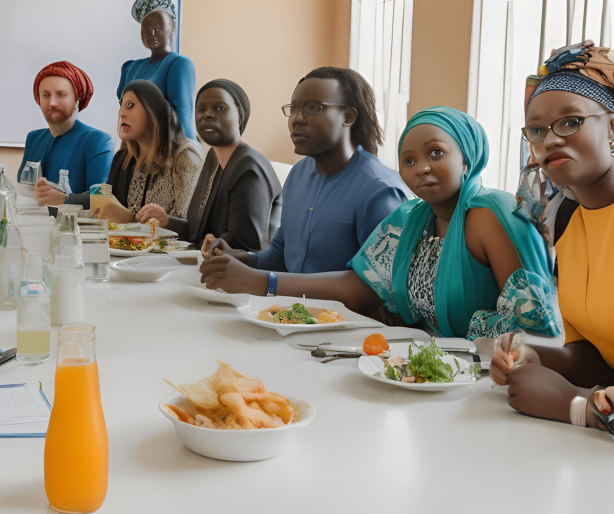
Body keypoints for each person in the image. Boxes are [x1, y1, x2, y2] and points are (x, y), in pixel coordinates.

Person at [202, 107, 563, 342]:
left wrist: (262, 282)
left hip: (488, 385)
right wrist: (262, 281)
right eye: (408, 160)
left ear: (466, 158)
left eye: (435, 153)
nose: (420, 167)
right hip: (419, 373)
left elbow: (534, 328)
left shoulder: (491, 213)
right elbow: (359, 286)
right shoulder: (410, 219)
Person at [490, 42, 614, 463]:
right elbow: (601, 353)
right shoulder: (565, 217)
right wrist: (538, 355)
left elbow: (590, 392)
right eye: (536, 130)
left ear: (612, 124)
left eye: (569, 122)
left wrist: (577, 404)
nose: (549, 139)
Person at [203, 67, 409, 275]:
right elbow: (281, 254)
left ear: (347, 117)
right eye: (293, 108)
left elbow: (374, 287)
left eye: (313, 108)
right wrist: (241, 258)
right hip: (290, 307)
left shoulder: (380, 191)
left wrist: (265, 282)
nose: (297, 119)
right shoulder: (299, 173)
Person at [135, 79, 282, 252]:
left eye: (220, 108)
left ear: (239, 113)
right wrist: (167, 221)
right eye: (201, 109)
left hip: (241, 273)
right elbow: (199, 232)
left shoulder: (250, 168)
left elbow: (247, 247)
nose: (207, 115)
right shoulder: (213, 157)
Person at [68, 79, 202, 222]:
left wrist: (130, 219)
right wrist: (65, 199)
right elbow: (107, 203)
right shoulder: (123, 159)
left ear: (153, 111)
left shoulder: (185, 157)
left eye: (130, 105)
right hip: (122, 244)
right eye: (121, 106)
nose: (122, 114)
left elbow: (193, 229)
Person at [20, 61, 115, 206]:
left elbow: (102, 199)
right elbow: (25, 191)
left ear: (77, 99)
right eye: (46, 95)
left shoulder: (98, 141)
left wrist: (66, 199)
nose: (52, 102)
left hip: (77, 227)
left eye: (61, 94)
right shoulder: (33, 138)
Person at [117, 0, 198, 141]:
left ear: (172, 29)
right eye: (145, 29)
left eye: (158, 28)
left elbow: (183, 116)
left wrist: (190, 156)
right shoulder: (130, 68)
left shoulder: (178, 65)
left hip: (163, 152)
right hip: (133, 151)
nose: (151, 34)